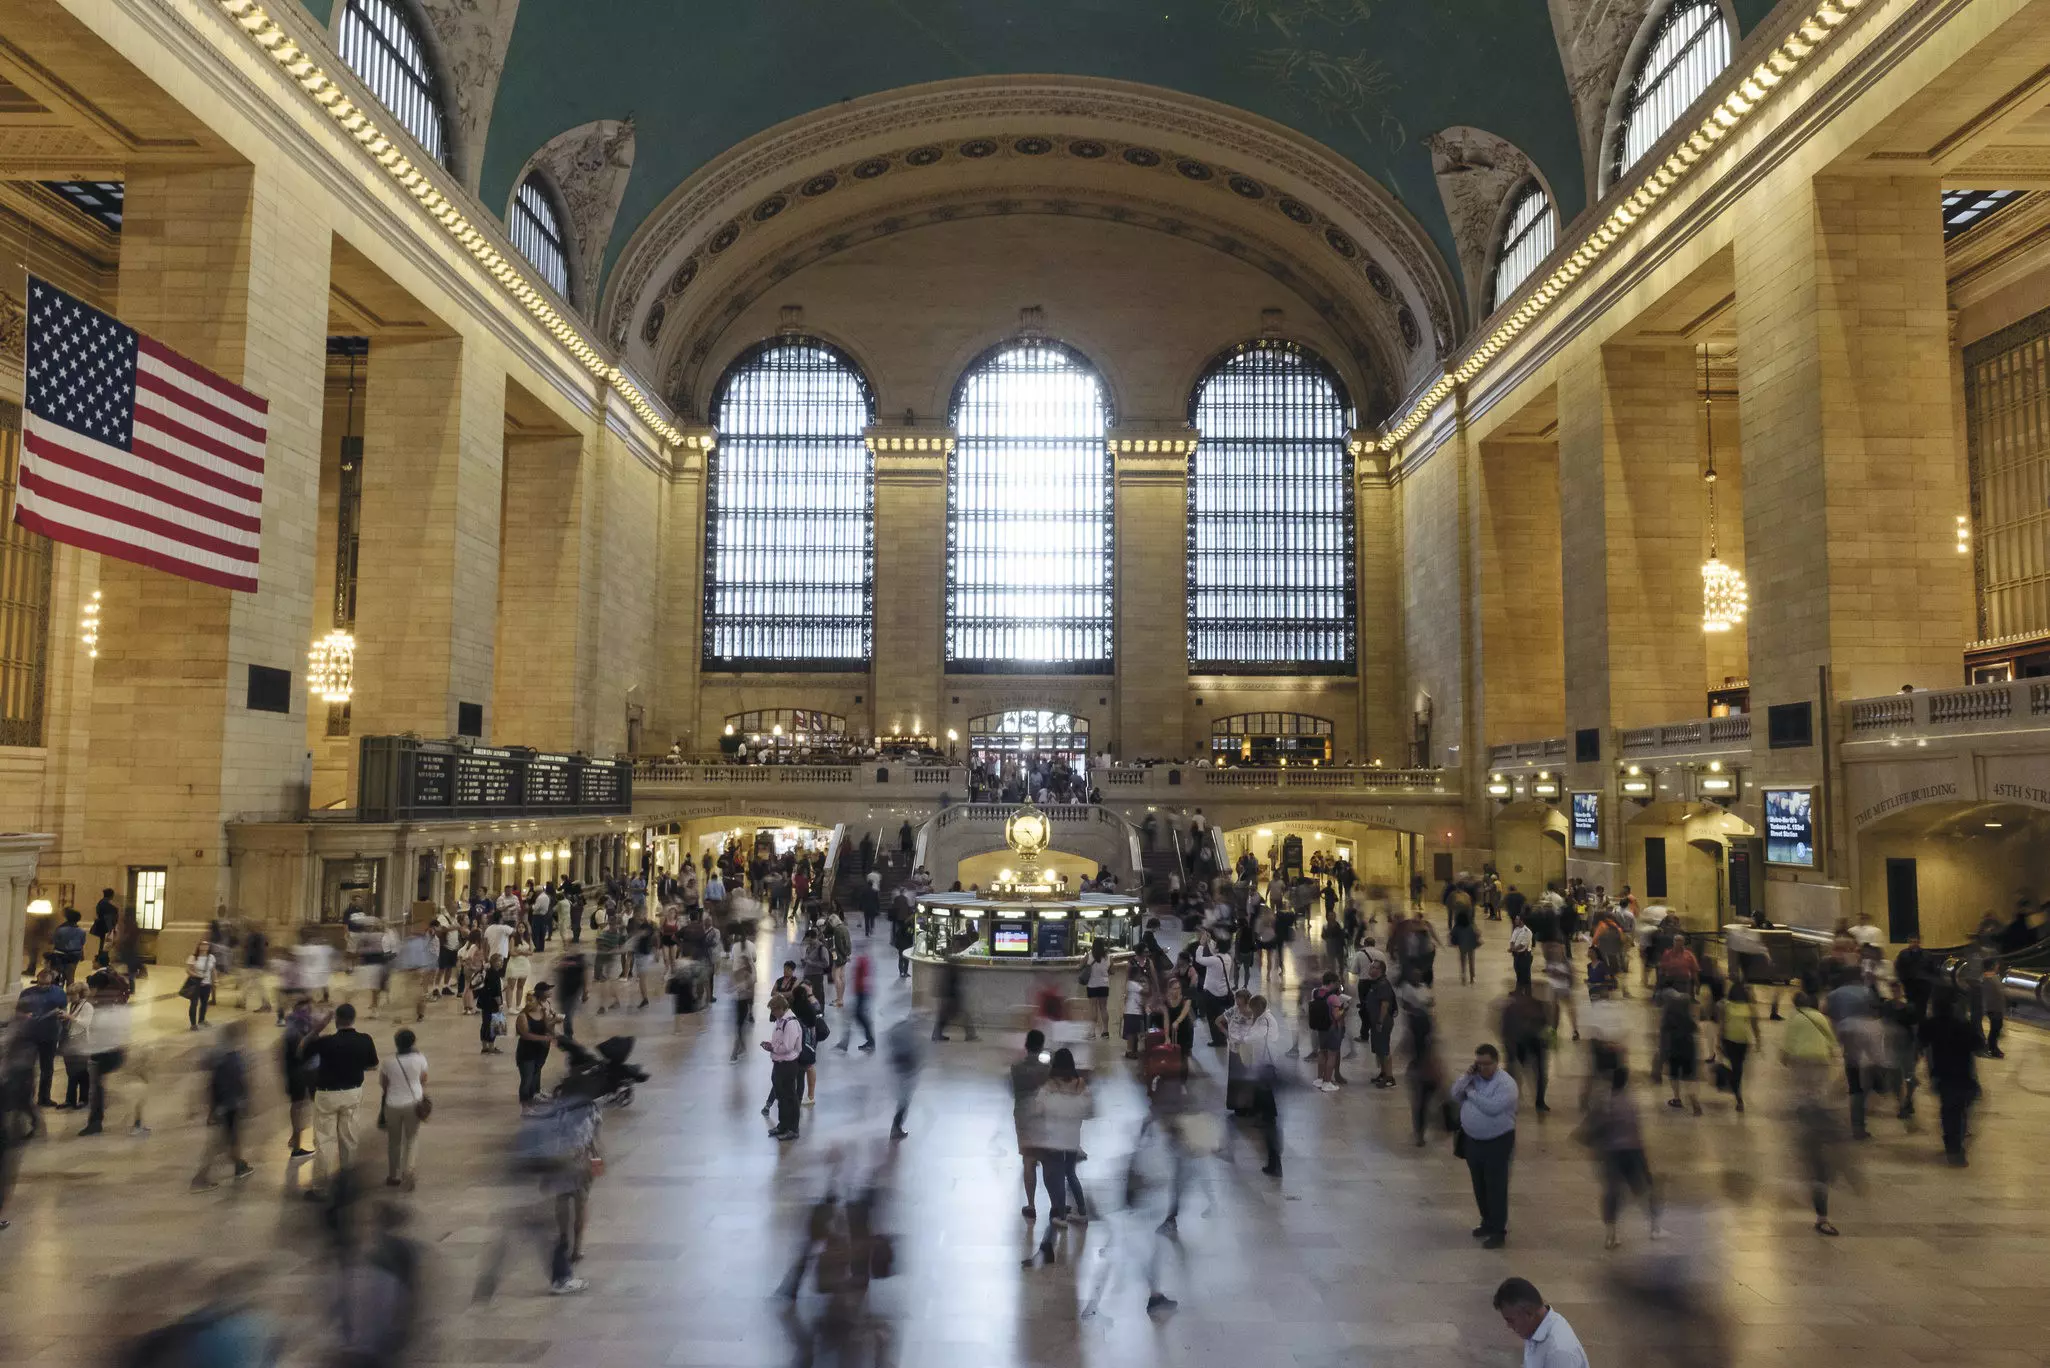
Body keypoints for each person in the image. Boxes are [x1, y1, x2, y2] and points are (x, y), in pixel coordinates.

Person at [302, 1002, 378, 1198]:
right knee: (349, 1140)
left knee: (324, 1141)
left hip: (327, 1094)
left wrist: (317, 1028)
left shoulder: (326, 1042)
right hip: (352, 1093)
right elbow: (372, 1066)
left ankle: (321, 1188)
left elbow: (302, 1050)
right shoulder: (365, 1040)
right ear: (353, 1019)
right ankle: (347, 1185)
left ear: (336, 1020)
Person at [1450, 1042, 1519, 1248]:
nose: (1482, 1068)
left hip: (1498, 1141)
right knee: (1479, 1184)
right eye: (1478, 1064)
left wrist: (1471, 1093)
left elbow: (1493, 1108)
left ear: (1496, 1063)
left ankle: (1499, 1230)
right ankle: (1487, 1221)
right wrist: (1466, 1077)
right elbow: (1454, 1093)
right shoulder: (1473, 1078)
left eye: (1486, 1064)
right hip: (1473, 1141)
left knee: (1495, 1186)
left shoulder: (1506, 1084)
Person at [1581, 1064, 1658, 1248]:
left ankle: (1611, 1234)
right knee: (1640, 1189)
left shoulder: (1604, 1103)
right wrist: (1644, 1162)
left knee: (1612, 1193)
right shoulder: (1631, 1103)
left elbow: (1594, 1126)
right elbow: (1636, 1132)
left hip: (1611, 1154)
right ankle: (1654, 1225)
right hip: (1631, 1152)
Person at [1028, 1048, 1093, 1251]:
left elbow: (1038, 1108)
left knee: (1055, 1176)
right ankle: (1082, 1212)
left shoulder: (1050, 1085)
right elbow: (1089, 1108)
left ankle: (1061, 1216)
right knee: (1071, 1173)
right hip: (1073, 1136)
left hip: (1054, 1137)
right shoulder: (1080, 1083)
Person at [190, 1018, 254, 1190]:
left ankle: (239, 1165)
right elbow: (229, 1084)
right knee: (218, 1143)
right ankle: (200, 1179)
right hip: (228, 1105)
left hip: (227, 1105)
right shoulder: (230, 1058)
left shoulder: (221, 1055)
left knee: (231, 1139)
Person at [1922, 989, 1980, 1167]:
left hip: (1942, 1075)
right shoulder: (1962, 1025)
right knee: (1960, 1112)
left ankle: (1953, 1147)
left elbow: (1922, 1043)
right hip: (1964, 1075)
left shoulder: (1931, 1024)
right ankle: (1956, 1147)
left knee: (1949, 1112)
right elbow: (1978, 1045)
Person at [1493, 1277, 1591, 1368]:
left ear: (1529, 1313)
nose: (1508, 1326)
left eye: (1511, 1320)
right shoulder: (1534, 1328)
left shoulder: (1558, 1353)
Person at [380, 1027, 429, 1190]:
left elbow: (384, 1084)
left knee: (394, 1141)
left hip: (393, 1104)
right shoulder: (420, 1059)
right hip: (414, 1103)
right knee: (411, 1139)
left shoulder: (388, 1062)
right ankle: (409, 1172)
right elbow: (423, 1079)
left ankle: (393, 1175)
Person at [1012, 1029, 1051, 1218]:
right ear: (1041, 1046)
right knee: (1048, 1161)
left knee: (1028, 1161)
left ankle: (1031, 1204)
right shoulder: (1047, 1069)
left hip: (1023, 1117)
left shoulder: (1016, 1067)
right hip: (1043, 1116)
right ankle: (1055, 1204)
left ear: (1026, 1045)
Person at [763, 993, 803, 1141]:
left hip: (788, 1064)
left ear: (781, 1008)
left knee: (789, 1097)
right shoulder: (780, 1021)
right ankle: (783, 1125)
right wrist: (771, 1045)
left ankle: (793, 1128)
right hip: (779, 1063)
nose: (772, 1013)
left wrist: (772, 1048)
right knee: (781, 1097)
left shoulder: (790, 1023)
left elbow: (788, 1046)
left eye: (773, 1010)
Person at [1717, 981, 1758, 1113]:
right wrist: (1758, 1041)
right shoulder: (1750, 1007)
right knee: (1738, 1067)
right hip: (1743, 1041)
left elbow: (1722, 1024)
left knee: (1734, 1066)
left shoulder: (1725, 1005)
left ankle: (1736, 1091)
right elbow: (1755, 1026)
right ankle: (1738, 1096)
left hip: (1729, 1039)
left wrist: (1718, 1040)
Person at [515, 984, 559, 1103]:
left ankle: (535, 1094)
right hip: (527, 1051)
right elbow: (525, 1035)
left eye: (532, 1001)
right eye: (529, 1001)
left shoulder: (543, 1012)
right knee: (527, 1079)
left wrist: (554, 1022)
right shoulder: (522, 1017)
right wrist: (543, 1038)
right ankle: (525, 1103)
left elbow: (547, 1026)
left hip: (540, 1050)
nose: (531, 1003)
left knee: (537, 1072)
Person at [730, 945, 757, 1061]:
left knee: (739, 1027)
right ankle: (743, 1048)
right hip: (736, 1002)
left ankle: (735, 1052)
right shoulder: (737, 973)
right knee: (739, 1027)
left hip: (743, 1003)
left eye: (741, 962)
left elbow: (751, 992)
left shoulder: (749, 975)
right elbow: (729, 986)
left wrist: (743, 988)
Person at [1081, 941, 1113, 1038]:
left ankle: (1092, 1032)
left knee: (1093, 1008)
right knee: (1103, 1008)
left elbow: (1080, 966)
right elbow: (1112, 971)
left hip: (1092, 985)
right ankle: (1105, 1031)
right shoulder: (1109, 957)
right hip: (1104, 985)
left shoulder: (1089, 956)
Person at [183, 940, 218, 1029]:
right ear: (199, 946)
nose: (204, 946)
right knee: (194, 1004)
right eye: (202, 944)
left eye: (206, 945)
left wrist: (215, 981)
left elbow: (213, 970)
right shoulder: (193, 957)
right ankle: (193, 1024)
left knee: (204, 1003)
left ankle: (201, 1020)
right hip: (196, 983)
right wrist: (196, 975)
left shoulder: (211, 957)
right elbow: (188, 970)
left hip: (207, 984)